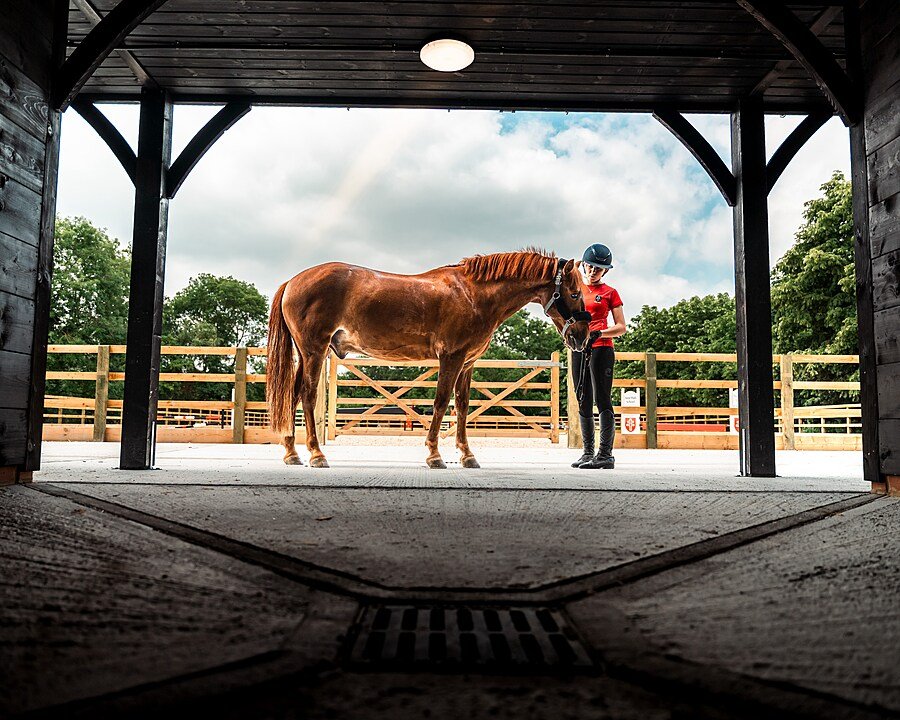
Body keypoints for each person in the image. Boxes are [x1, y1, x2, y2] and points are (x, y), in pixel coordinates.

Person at [571, 243, 626, 469]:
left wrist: (599, 333)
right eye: (590, 267)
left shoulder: (610, 293)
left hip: (602, 346)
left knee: (602, 397)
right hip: (578, 348)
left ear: (606, 271)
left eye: (598, 269)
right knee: (582, 397)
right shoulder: (576, 290)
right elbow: (569, 270)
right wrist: (576, 266)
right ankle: (587, 452)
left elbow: (621, 326)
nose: (593, 271)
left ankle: (605, 454)